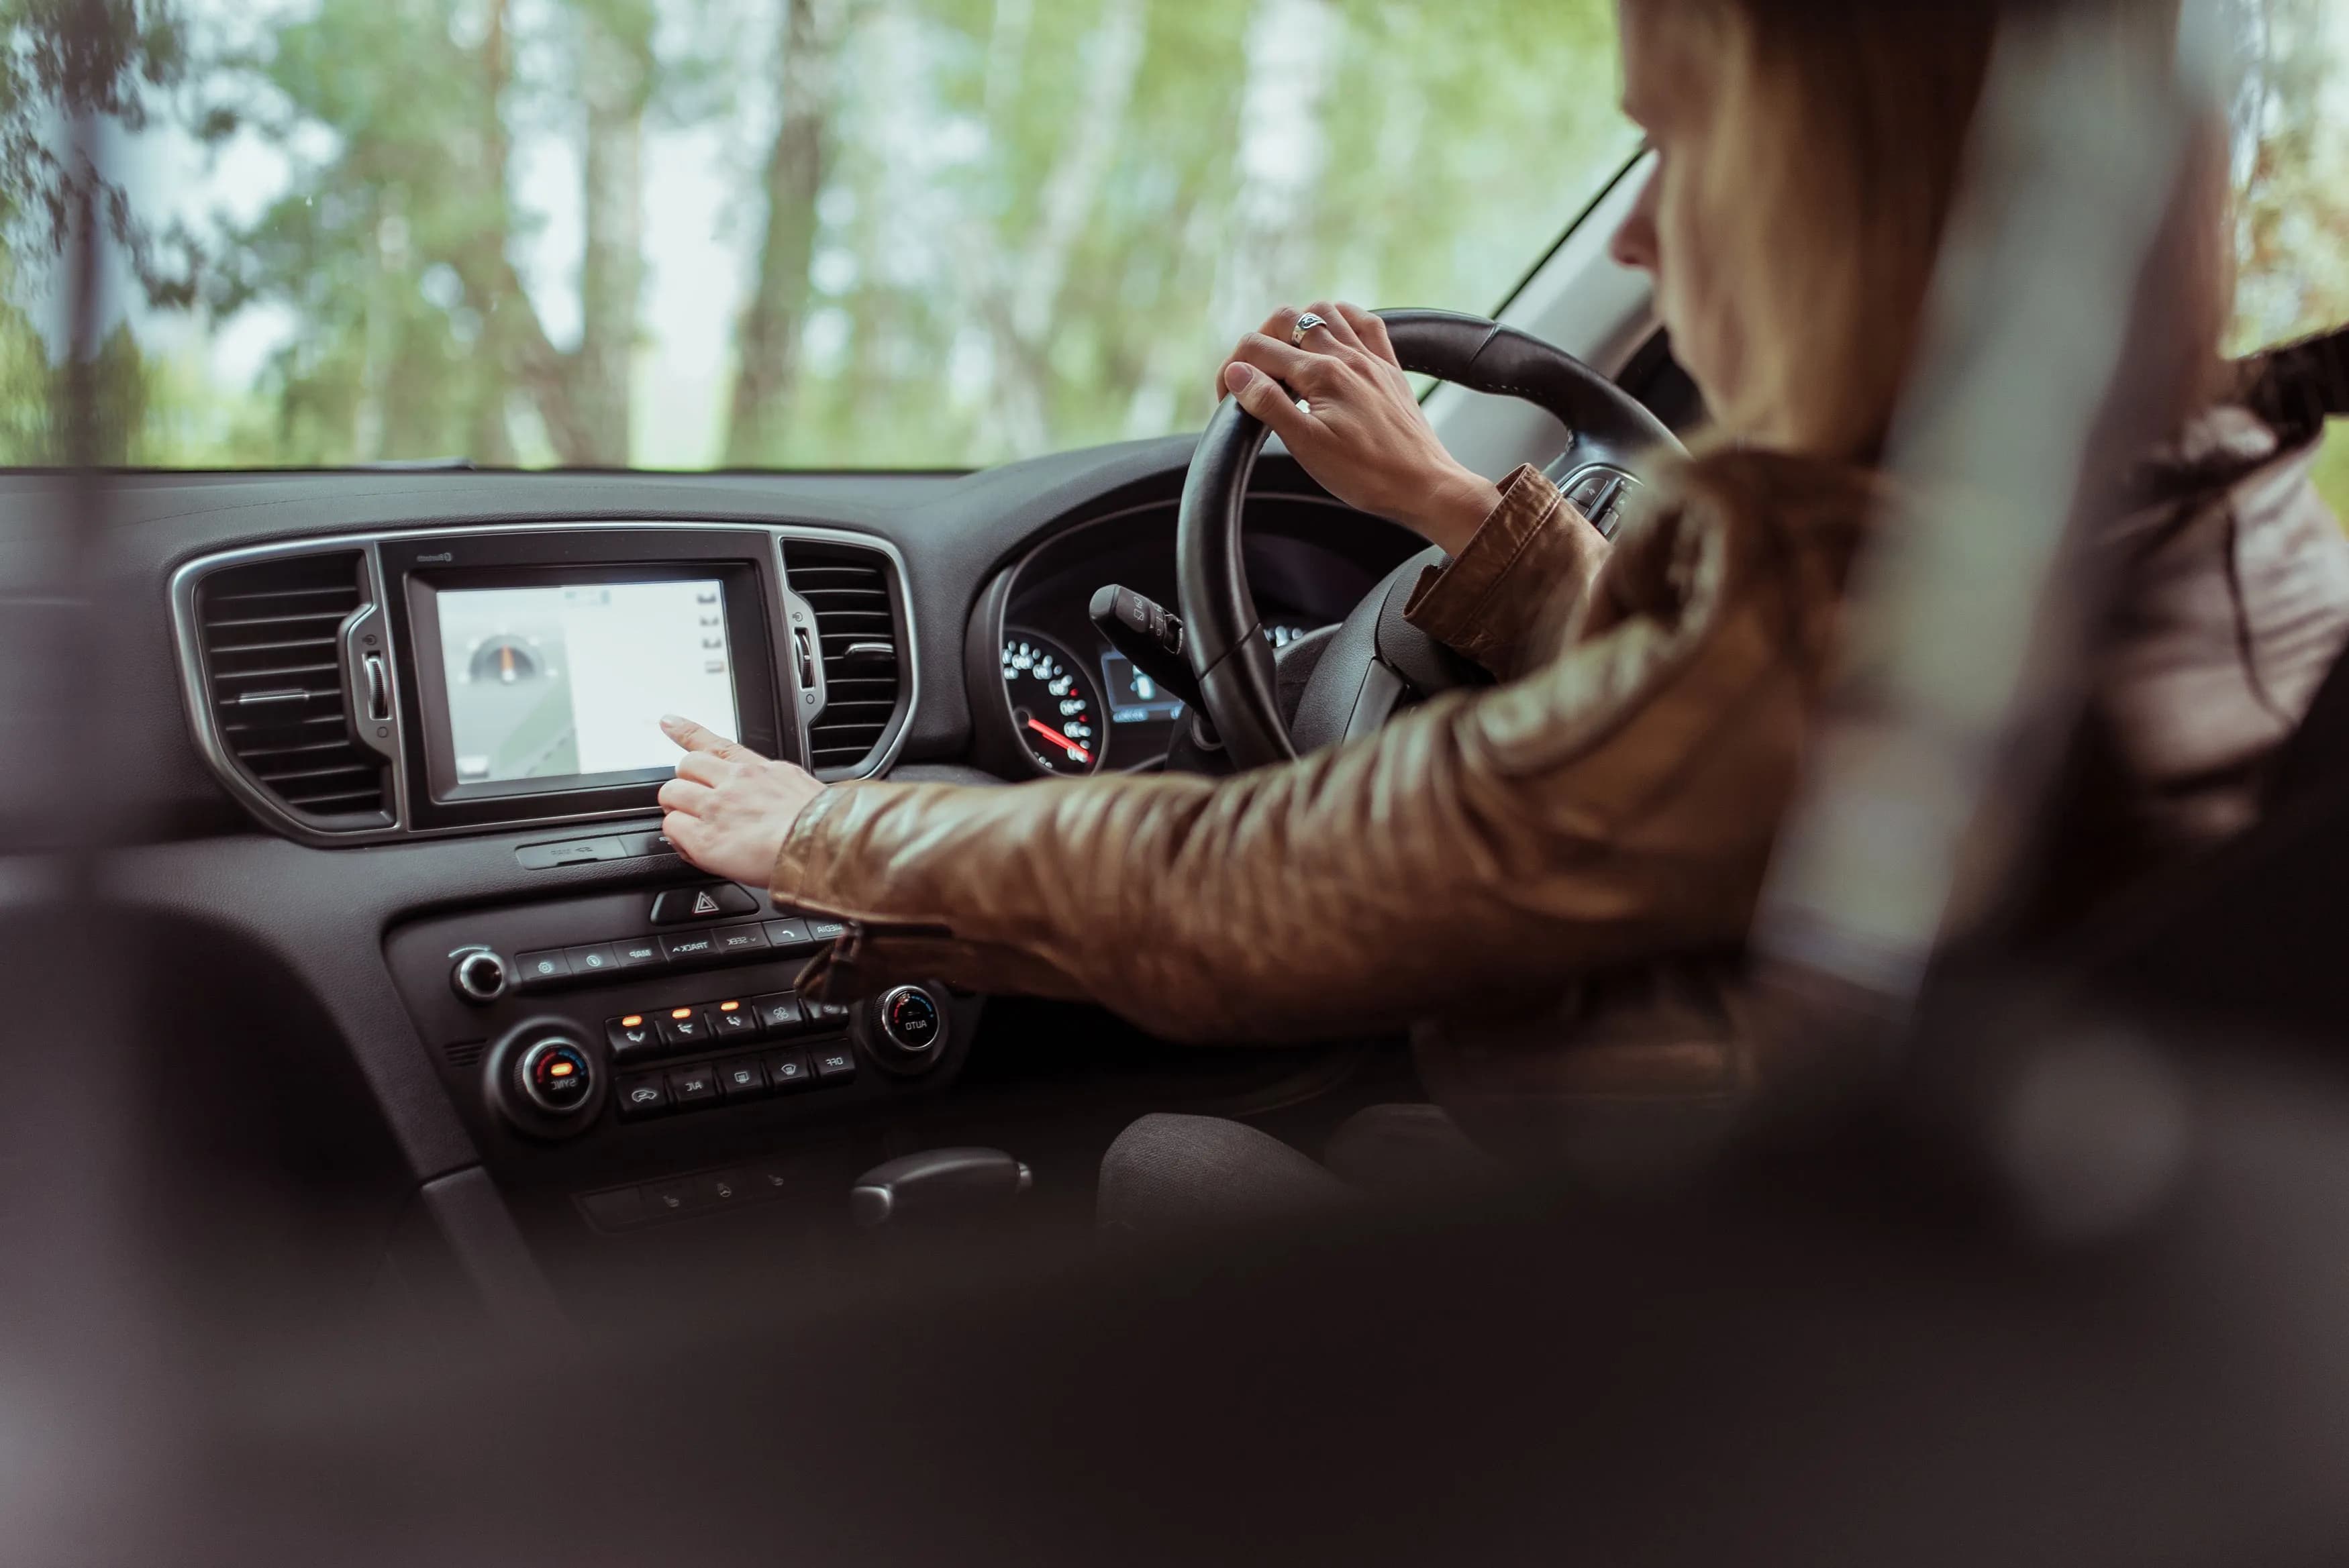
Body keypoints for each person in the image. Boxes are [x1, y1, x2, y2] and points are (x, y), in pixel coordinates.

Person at [653, 0, 2349, 1229]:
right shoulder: (2198, 507)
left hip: (1760, 1283)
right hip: (1962, 1246)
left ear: (1836, 184)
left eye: (1680, 142)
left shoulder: (1867, 589)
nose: (1637, 225)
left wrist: (823, 827)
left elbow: (1246, 882)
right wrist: (1460, 513)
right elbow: (1749, 745)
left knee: (1177, 1163)